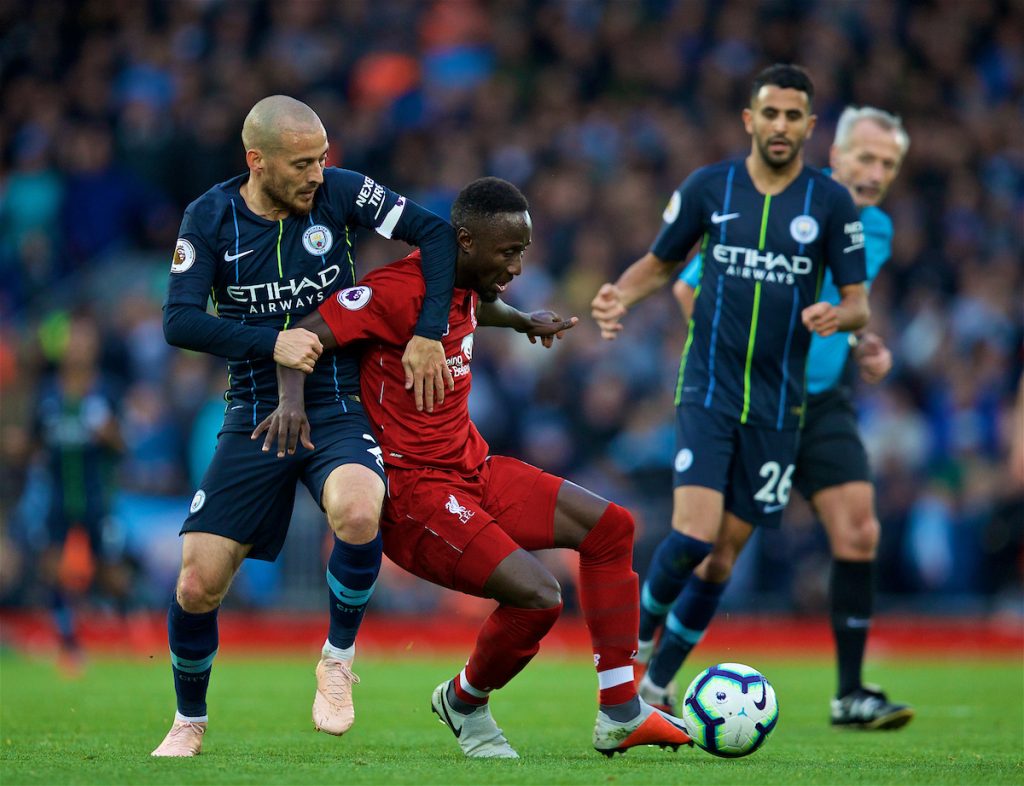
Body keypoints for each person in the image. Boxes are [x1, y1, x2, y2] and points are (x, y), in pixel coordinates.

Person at [255, 177, 694, 758]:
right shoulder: (393, 291)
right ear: (463, 241)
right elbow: (302, 336)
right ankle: (464, 701)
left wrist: (519, 320)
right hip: (417, 496)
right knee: (539, 596)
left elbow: (477, 306)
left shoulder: (463, 282)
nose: (516, 265)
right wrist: (290, 404)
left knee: (612, 528)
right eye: (507, 251)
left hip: (475, 469)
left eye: (523, 251)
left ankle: (620, 709)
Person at [151, 95, 458, 757]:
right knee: (196, 582)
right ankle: (188, 721)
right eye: (301, 163)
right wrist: (272, 344)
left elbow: (435, 233)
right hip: (253, 413)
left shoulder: (340, 192)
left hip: (338, 403)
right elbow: (178, 321)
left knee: (358, 508)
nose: (317, 173)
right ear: (255, 161)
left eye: (322, 158)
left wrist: (429, 332)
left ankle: (338, 659)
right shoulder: (209, 217)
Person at [590, 64, 869, 716]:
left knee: (719, 561)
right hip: (708, 390)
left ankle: (657, 683)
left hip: (778, 408)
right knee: (691, 535)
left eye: (792, 116)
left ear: (809, 126)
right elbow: (660, 264)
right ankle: (630, 648)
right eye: (769, 113)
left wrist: (839, 315)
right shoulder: (710, 188)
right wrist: (618, 295)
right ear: (750, 119)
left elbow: (859, 303)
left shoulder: (831, 204)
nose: (779, 126)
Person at [669, 106, 914, 729]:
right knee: (718, 554)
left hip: (822, 400)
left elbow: (838, 305)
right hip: (755, 398)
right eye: (865, 157)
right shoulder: (775, 208)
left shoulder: (876, 228)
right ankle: (657, 681)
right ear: (836, 155)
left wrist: (865, 343)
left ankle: (851, 694)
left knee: (860, 530)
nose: (875, 171)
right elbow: (688, 285)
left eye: (888, 163)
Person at [31, 310, 130, 673]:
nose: (78, 347)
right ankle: (68, 644)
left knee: (110, 572)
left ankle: (129, 632)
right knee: (52, 566)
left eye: (85, 340)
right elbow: (33, 441)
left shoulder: (108, 391)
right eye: (73, 339)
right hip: (56, 493)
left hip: (97, 495)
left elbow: (124, 444)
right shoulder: (47, 394)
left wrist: (110, 434)